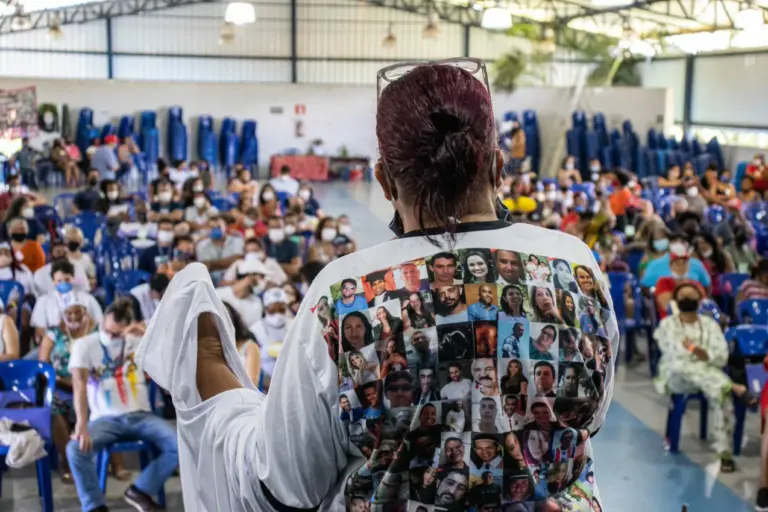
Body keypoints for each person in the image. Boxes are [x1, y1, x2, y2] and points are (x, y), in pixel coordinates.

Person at [136, 61, 617, 511]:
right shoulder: (574, 266)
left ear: (385, 181)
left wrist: (220, 397)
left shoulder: (343, 294)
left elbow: (286, 486)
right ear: (496, 166)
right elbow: (588, 420)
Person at [67, 298, 179, 511]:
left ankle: (140, 491)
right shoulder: (86, 345)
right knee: (75, 450)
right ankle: (94, 506)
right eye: (107, 330)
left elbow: (171, 360)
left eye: (117, 333)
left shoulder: (138, 341)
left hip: (142, 416)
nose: (110, 336)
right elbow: (79, 384)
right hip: (104, 419)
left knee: (181, 445)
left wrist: (147, 334)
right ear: (102, 321)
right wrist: (81, 424)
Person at [653, 281, 757, 472]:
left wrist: (697, 352)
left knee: (720, 395)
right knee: (684, 367)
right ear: (676, 300)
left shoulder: (710, 325)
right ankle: (734, 386)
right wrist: (700, 353)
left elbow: (721, 356)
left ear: (700, 300)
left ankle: (724, 453)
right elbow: (675, 357)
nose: (687, 299)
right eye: (683, 296)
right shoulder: (667, 325)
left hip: (710, 380)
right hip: (678, 378)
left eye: (691, 296)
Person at [38, 295, 97, 482]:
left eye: (78, 312)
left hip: (89, 384)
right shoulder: (53, 334)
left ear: (85, 312)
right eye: (69, 312)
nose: (73, 316)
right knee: (54, 408)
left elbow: (102, 360)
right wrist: (61, 380)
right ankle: (69, 461)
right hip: (60, 385)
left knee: (99, 404)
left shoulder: (95, 331)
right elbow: (43, 365)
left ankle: (100, 460)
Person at [249, 287, 293, 378]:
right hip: (266, 377)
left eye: (281, 310)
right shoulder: (256, 329)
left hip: (290, 375)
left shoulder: (293, 325)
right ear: (265, 309)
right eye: (272, 311)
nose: (277, 314)